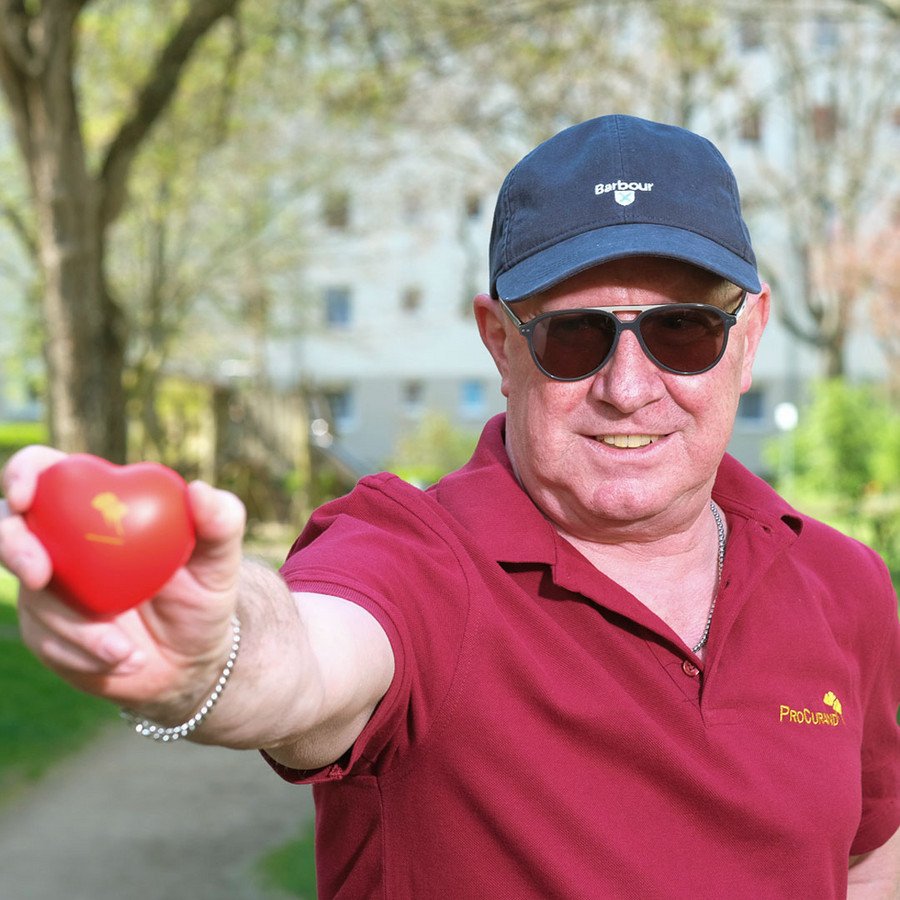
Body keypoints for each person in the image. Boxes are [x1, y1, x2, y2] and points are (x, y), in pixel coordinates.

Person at [1, 114, 897, 898]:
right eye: (575, 336)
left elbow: (871, 855)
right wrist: (210, 662)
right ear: (501, 345)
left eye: (681, 332)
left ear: (748, 339)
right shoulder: (419, 555)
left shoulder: (843, 582)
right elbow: (308, 657)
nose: (630, 388)